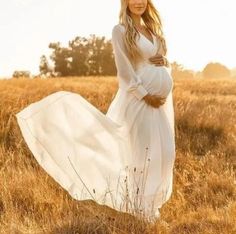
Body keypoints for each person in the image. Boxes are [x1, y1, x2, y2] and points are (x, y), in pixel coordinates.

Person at [15, 0, 175, 222]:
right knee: (144, 153)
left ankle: (150, 205)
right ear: (126, 2)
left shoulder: (153, 30)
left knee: (165, 153)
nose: (138, 2)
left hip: (160, 103)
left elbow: (160, 64)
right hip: (141, 101)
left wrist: (165, 61)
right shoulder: (120, 31)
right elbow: (124, 70)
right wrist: (144, 94)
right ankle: (143, 210)